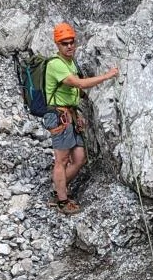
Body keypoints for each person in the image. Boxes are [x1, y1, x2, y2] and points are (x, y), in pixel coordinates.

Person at [43, 21, 118, 215]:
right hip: (59, 117)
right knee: (61, 160)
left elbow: (75, 90)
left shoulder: (70, 62)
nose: (69, 46)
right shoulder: (56, 64)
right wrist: (108, 76)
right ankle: (61, 201)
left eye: (71, 42)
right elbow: (78, 83)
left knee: (79, 158)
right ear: (57, 45)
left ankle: (58, 190)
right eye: (64, 43)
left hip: (70, 114)